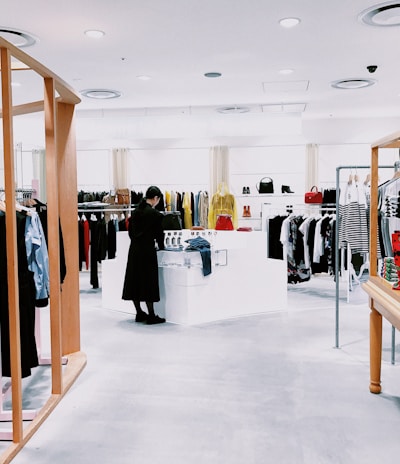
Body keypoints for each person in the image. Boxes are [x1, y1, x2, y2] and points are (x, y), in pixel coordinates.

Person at [122, 186, 166, 324]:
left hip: (134, 249)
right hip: (147, 250)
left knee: (135, 280)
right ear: (156, 198)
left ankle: (139, 312)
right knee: (148, 282)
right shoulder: (155, 214)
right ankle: (151, 315)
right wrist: (162, 246)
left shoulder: (135, 212)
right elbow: (160, 234)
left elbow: (130, 232)